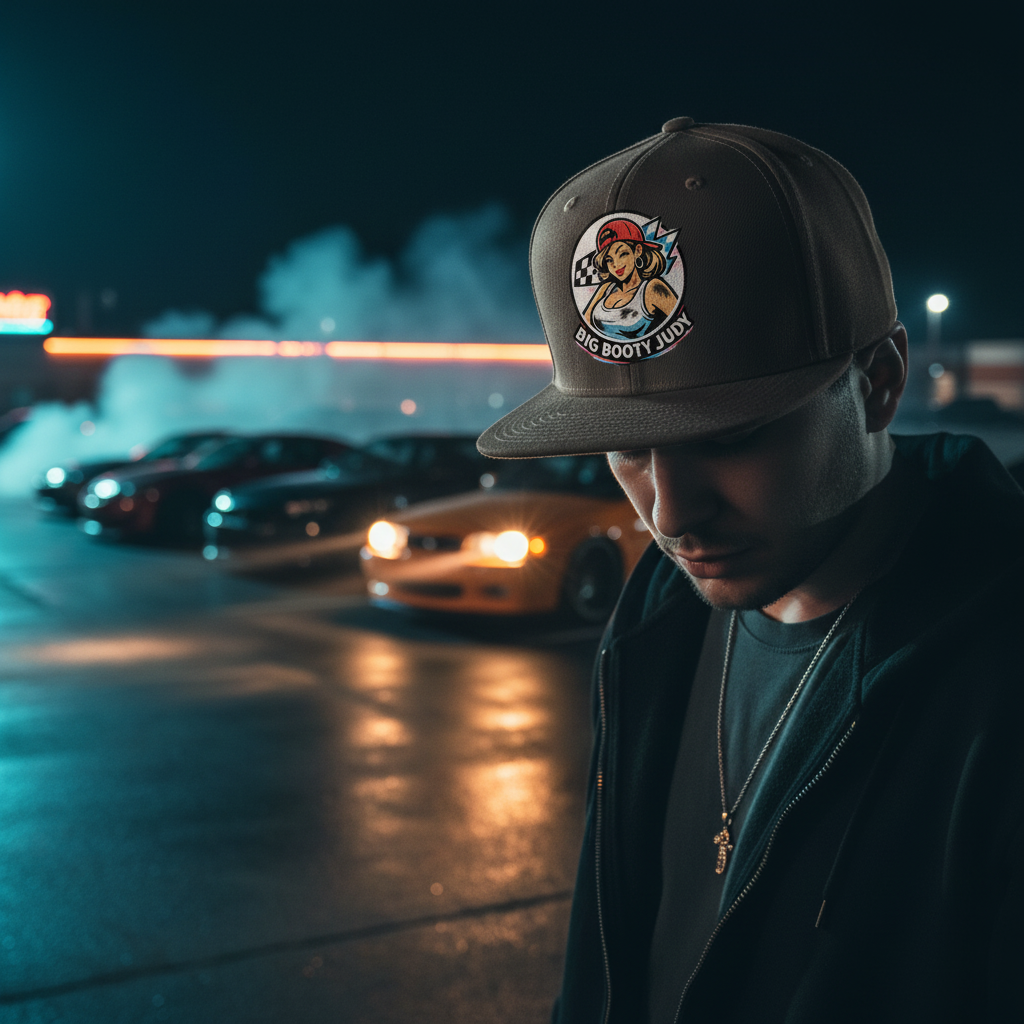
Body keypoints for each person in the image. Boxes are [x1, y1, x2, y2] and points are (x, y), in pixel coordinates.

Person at [477, 117, 1024, 1023]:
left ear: (879, 380)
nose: (668, 513)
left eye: (729, 440)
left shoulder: (999, 679)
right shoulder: (659, 606)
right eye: (625, 451)